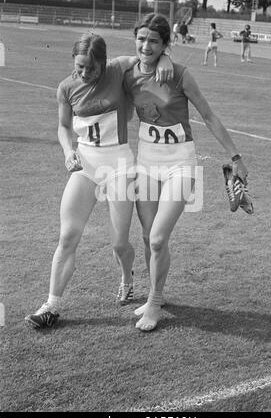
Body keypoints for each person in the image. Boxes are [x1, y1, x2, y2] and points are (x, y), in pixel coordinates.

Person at [25, 33, 173, 329]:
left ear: (103, 63)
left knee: (119, 244)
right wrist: (69, 151)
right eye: (79, 67)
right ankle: (51, 305)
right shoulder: (66, 88)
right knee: (67, 237)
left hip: (119, 165)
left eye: (90, 68)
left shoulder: (117, 69)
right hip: (86, 165)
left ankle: (127, 277)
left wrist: (166, 57)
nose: (84, 73)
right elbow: (64, 126)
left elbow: (148, 56)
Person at [124, 13, 248, 332]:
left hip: (180, 164)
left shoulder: (180, 75)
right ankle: (157, 295)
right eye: (141, 39)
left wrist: (236, 157)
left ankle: (154, 302)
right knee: (148, 236)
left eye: (154, 41)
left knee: (157, 238)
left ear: (166, 43)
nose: (146, 45)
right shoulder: (128, 72)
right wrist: (160, 55)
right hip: (146, 165)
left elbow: (208, 116)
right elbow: (111, 62)